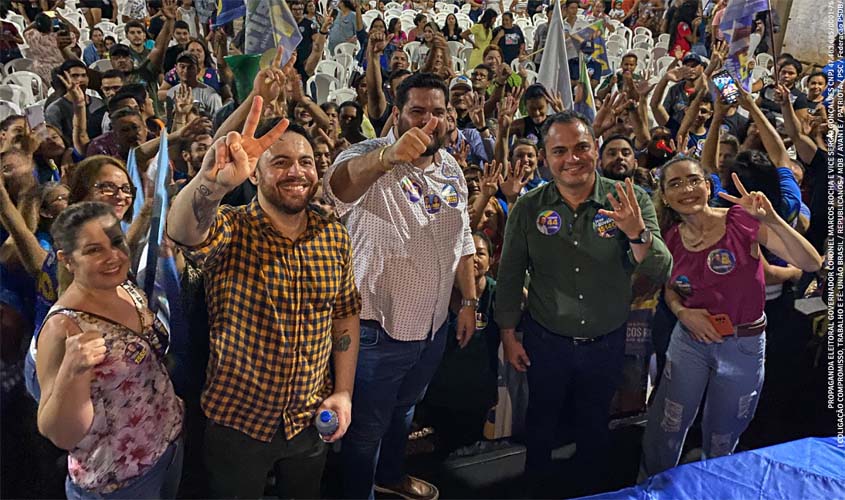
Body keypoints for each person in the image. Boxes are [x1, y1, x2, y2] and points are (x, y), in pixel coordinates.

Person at [166, 92, 361, 498]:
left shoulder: (334, 235)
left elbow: (344, 315)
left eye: (306, 162)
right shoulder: (231, 229)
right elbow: (183, 231)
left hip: (309, 419)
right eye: (281, 162)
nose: (297, 172)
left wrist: (342, 391)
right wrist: (208, 185)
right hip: (239, 422)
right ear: (254, 174)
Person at [495, 111, 672, 496]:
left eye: (581, 148)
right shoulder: (528, 208)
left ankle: (591, 491)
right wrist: (508, 334)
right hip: (546, 341)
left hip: (605, 341)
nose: (571, 158)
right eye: (560, 151)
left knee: (595, 427)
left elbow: (661, 268)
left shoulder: (630, 199)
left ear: (595, 149)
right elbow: (509, 276)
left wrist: (636, 232)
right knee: (541, 424)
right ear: (545, 158)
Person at [324, 72, 476, 500]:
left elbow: (462, 237)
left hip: (432, 328)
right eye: (417, 111)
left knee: (404, 413)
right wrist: (387, 157)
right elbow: (339, 184)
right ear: (396, 114)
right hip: (375, 332)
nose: (429, 121)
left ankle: (389, 478)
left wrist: (468, 299)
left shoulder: (451, 168)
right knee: (365, 431)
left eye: (438, 112)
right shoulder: (369, 156)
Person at [639, 157, 823, 478]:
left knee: (723, 435)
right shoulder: (667, 237)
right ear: (665, 196)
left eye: (694, 180)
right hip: (690, 342)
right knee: (667, 426)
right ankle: (652, 487)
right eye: (676, 183)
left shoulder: (741, 220)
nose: (687, 189)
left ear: (708, 186)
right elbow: (671, 288)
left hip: (744, 344)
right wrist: (683, 313)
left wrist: (775, 220)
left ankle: (712, 486)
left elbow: (810, 262)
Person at [35, 201, 184, 499]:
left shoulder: (124, 286)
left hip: (168, 446)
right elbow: (59, 434)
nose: (113, 256)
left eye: (116, 242)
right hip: (117, 481)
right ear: (66, 259)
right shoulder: (63, 328)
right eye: (93, 250)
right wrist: (71, 372)